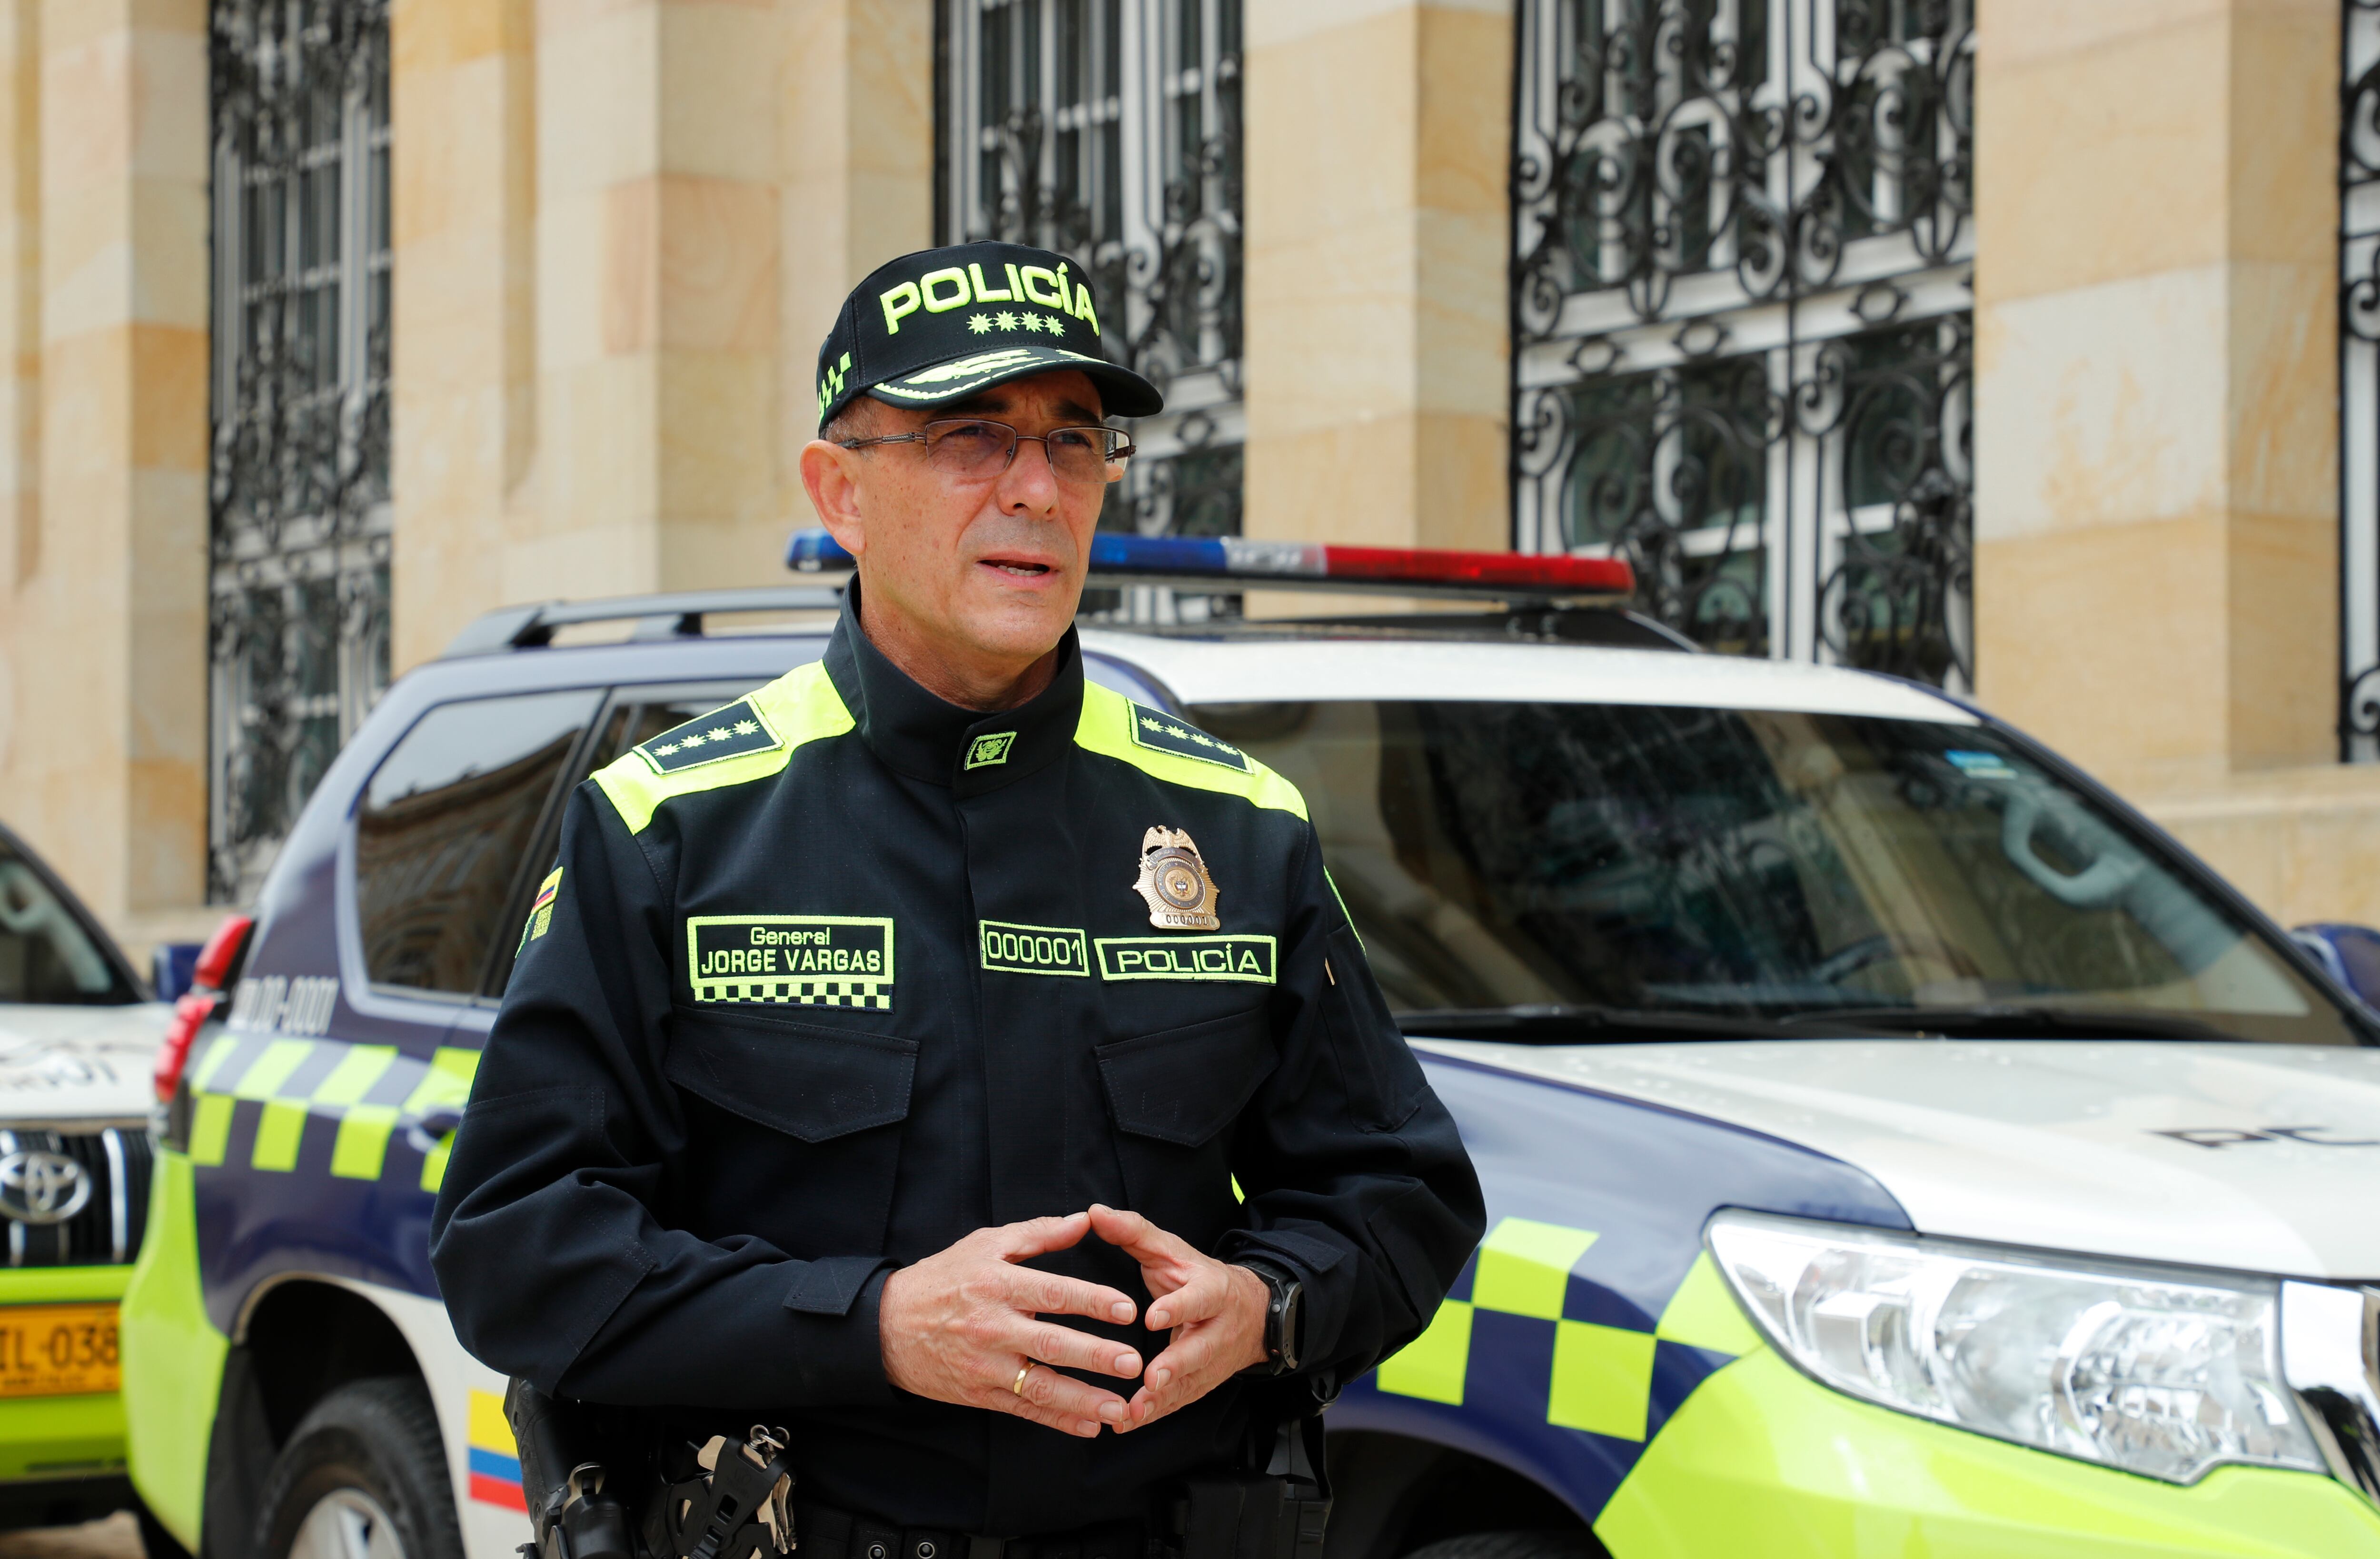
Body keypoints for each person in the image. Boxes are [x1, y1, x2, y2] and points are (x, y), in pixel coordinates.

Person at [427, 241, 1485, 1559]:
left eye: (1076, 441)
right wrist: (868, 1325)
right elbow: (514, 1248)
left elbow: (1404, 1197)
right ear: (843, 492)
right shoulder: (672, 828)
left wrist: (1268, 1303)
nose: (1037, 489)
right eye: (973, 437)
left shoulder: (1238, 829)